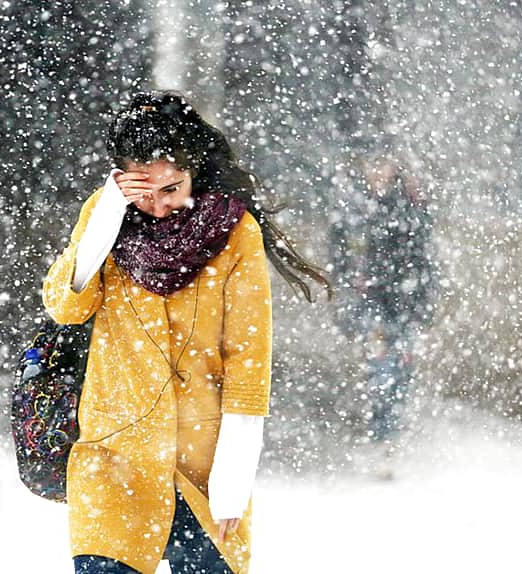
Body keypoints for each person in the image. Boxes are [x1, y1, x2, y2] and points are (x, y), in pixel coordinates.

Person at [42, 91, 329, 574]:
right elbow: (66, 305)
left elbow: (247, 359)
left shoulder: (235, 231)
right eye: (143, 192)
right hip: (114, 456)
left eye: (172, 188)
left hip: (203, 464)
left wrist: (233, 482)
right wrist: (110, 211)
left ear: (194, 170)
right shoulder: (106, 215)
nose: (157, 206)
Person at [328, 148, 437, 445]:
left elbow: (424, 256)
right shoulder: (353, 205)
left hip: (405, 299)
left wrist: (424, 300)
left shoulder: (410, 204)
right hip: (370, 299)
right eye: (372, 163)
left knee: (401, 367)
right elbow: (339, 253)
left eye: (383, 162)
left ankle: (389, 429)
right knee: (381, 366)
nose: (377, 170)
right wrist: (346, 290)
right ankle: (382, 434)